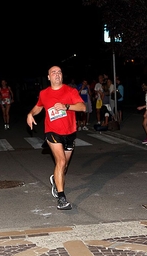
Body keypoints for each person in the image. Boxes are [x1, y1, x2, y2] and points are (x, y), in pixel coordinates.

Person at [26, 66, 86, 210]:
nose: (57, 75)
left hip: (69, 133)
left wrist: (66, 106)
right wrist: (30, 114)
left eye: (59, 72)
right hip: (52, 132)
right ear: (48, 77)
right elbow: (39, 106)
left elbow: (82, 107)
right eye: (53, 73)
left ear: (62, 76)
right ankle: (61, 198)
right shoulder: (44, 93)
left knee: (63, 167)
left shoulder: (70, 91)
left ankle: (55, 179)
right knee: (61, 161)